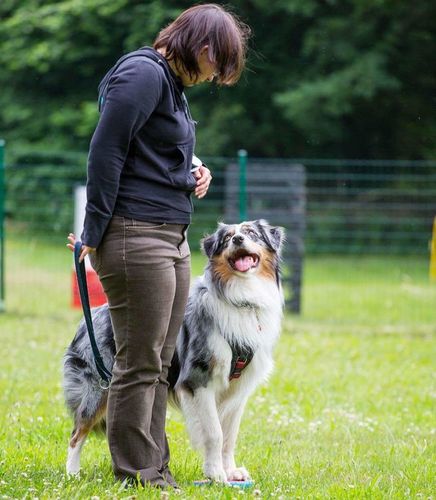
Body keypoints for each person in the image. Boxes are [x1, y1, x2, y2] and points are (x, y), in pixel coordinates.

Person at [67, 3, 250, 489]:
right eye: (217, 65)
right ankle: (138, 472)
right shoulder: (142, 73)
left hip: (170, 234)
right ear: (202, 46)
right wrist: (93, 231)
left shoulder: (170, 85)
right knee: (140, 361)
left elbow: (151, 149)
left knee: (160, 362)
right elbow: (106, 151)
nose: (214, 77)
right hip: (135, 234)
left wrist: (194, 168)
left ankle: (155, 467)